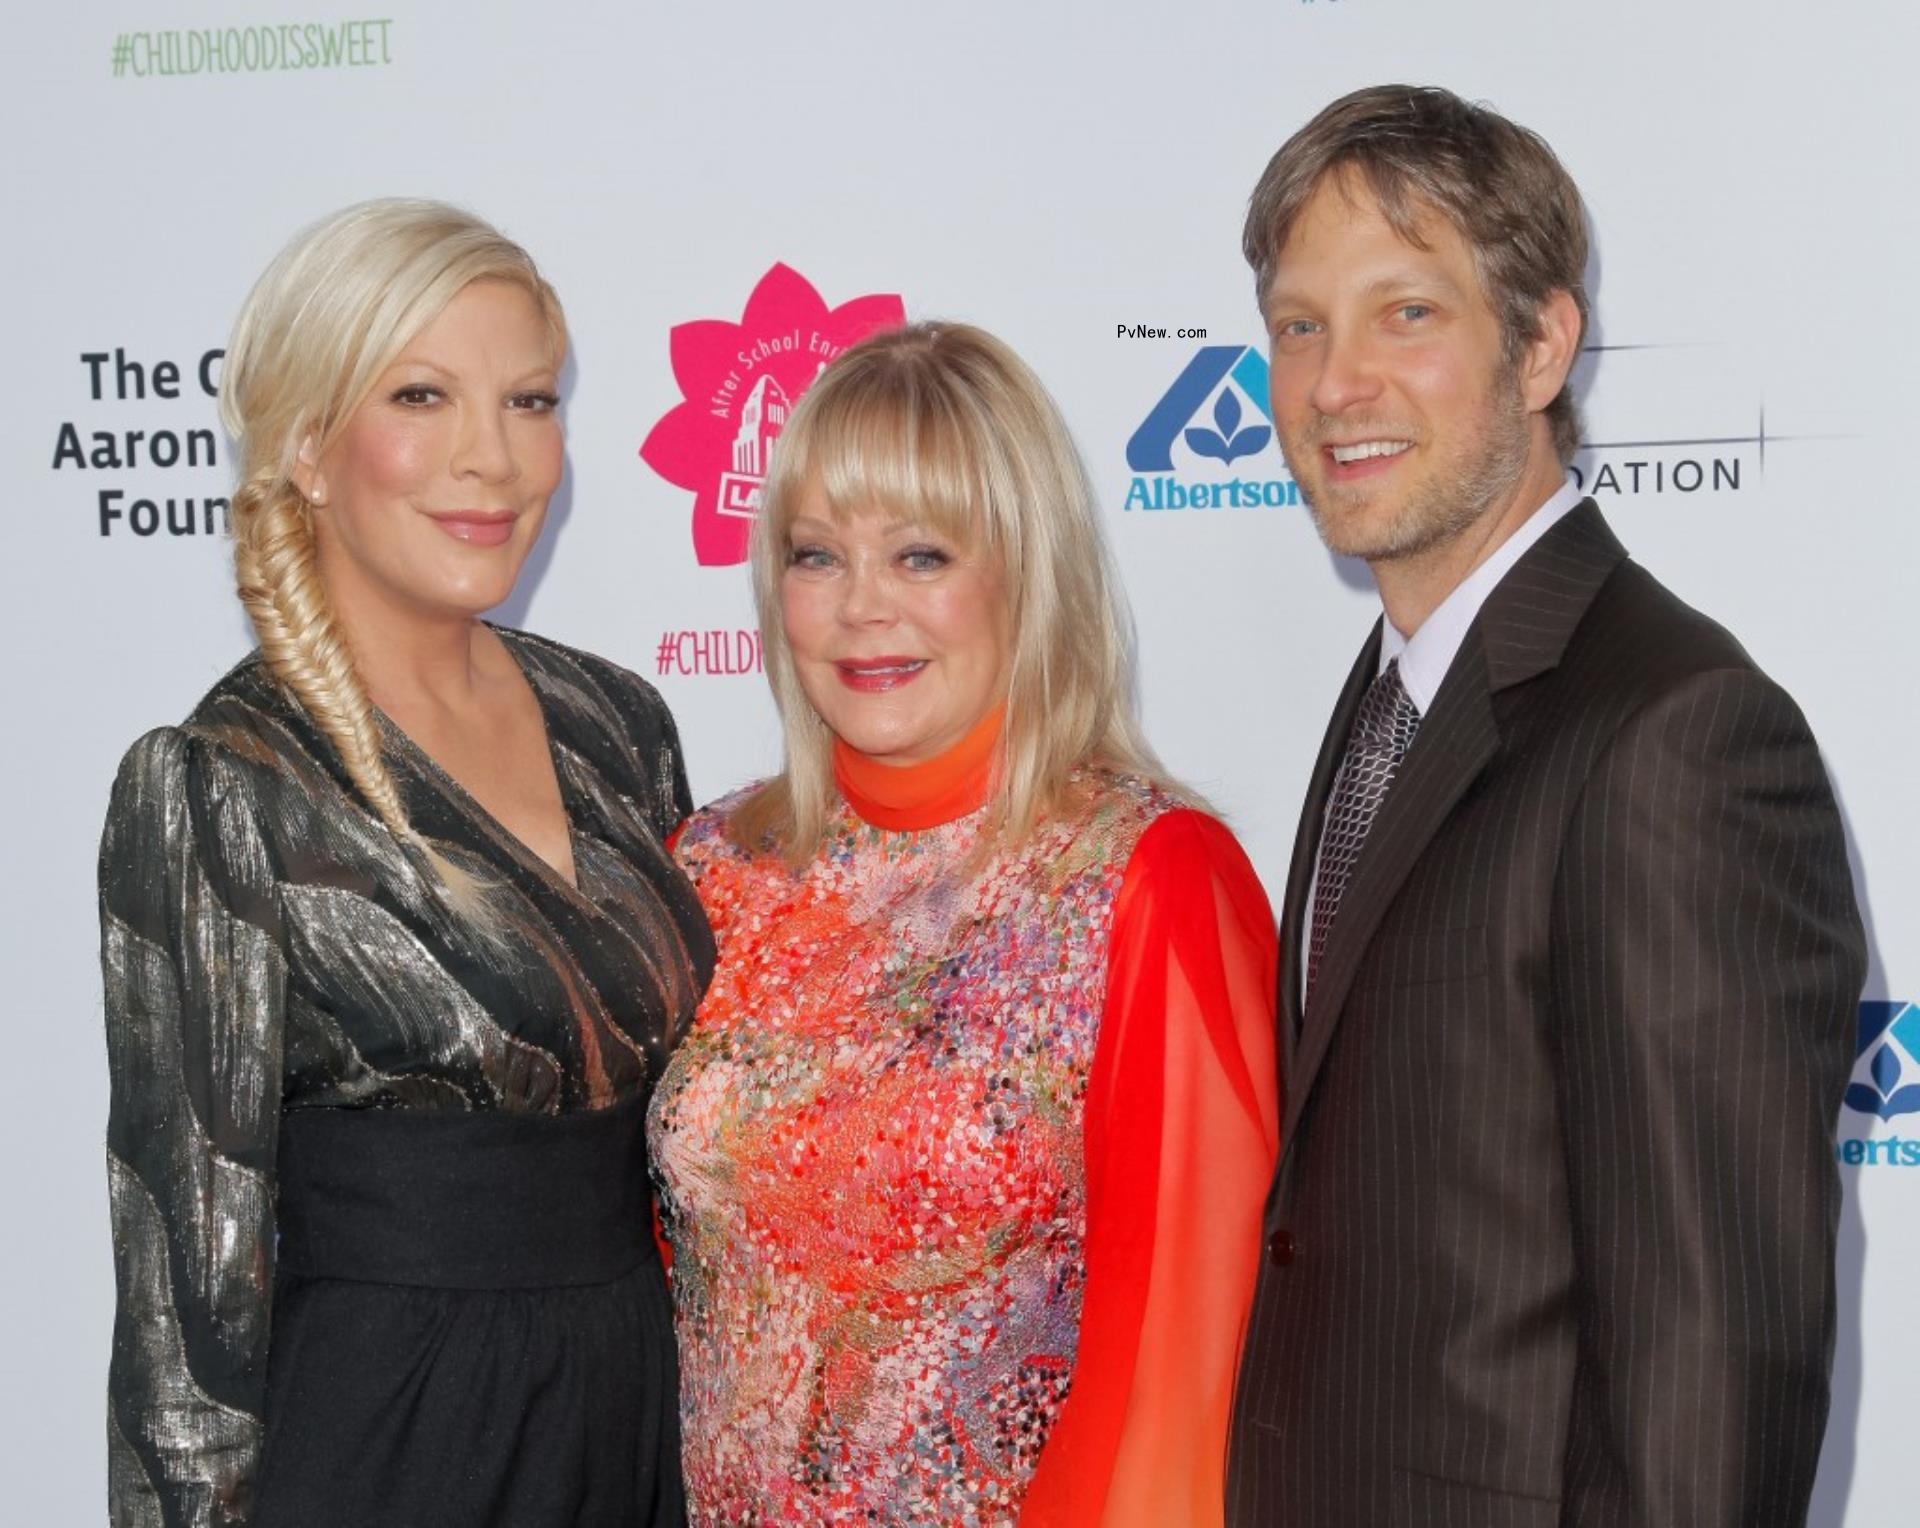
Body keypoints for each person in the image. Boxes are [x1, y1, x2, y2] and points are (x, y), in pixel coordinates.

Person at [1225, 86, 1867, 1527]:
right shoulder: (1394, 690)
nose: (1335, 383)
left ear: (1542, 346)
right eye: (1299, 324)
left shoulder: (1679, 734)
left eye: (1408, 314)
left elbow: (1717, 1367)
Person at [100, 199, 713, 1528]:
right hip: (396, 1434)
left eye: (530, 401)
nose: (490, 459)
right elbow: (184, 1311)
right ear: (311, 448)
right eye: (423, 396)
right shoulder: (223, 784)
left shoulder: (618, 727)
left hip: (632, 1406)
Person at [646, 321, 1279, 1527]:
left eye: (922, 554)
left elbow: (1176, 1382)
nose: (861, 607)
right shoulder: (710, 866)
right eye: (817, 554)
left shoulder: (1148, 877)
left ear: (1028, 576)